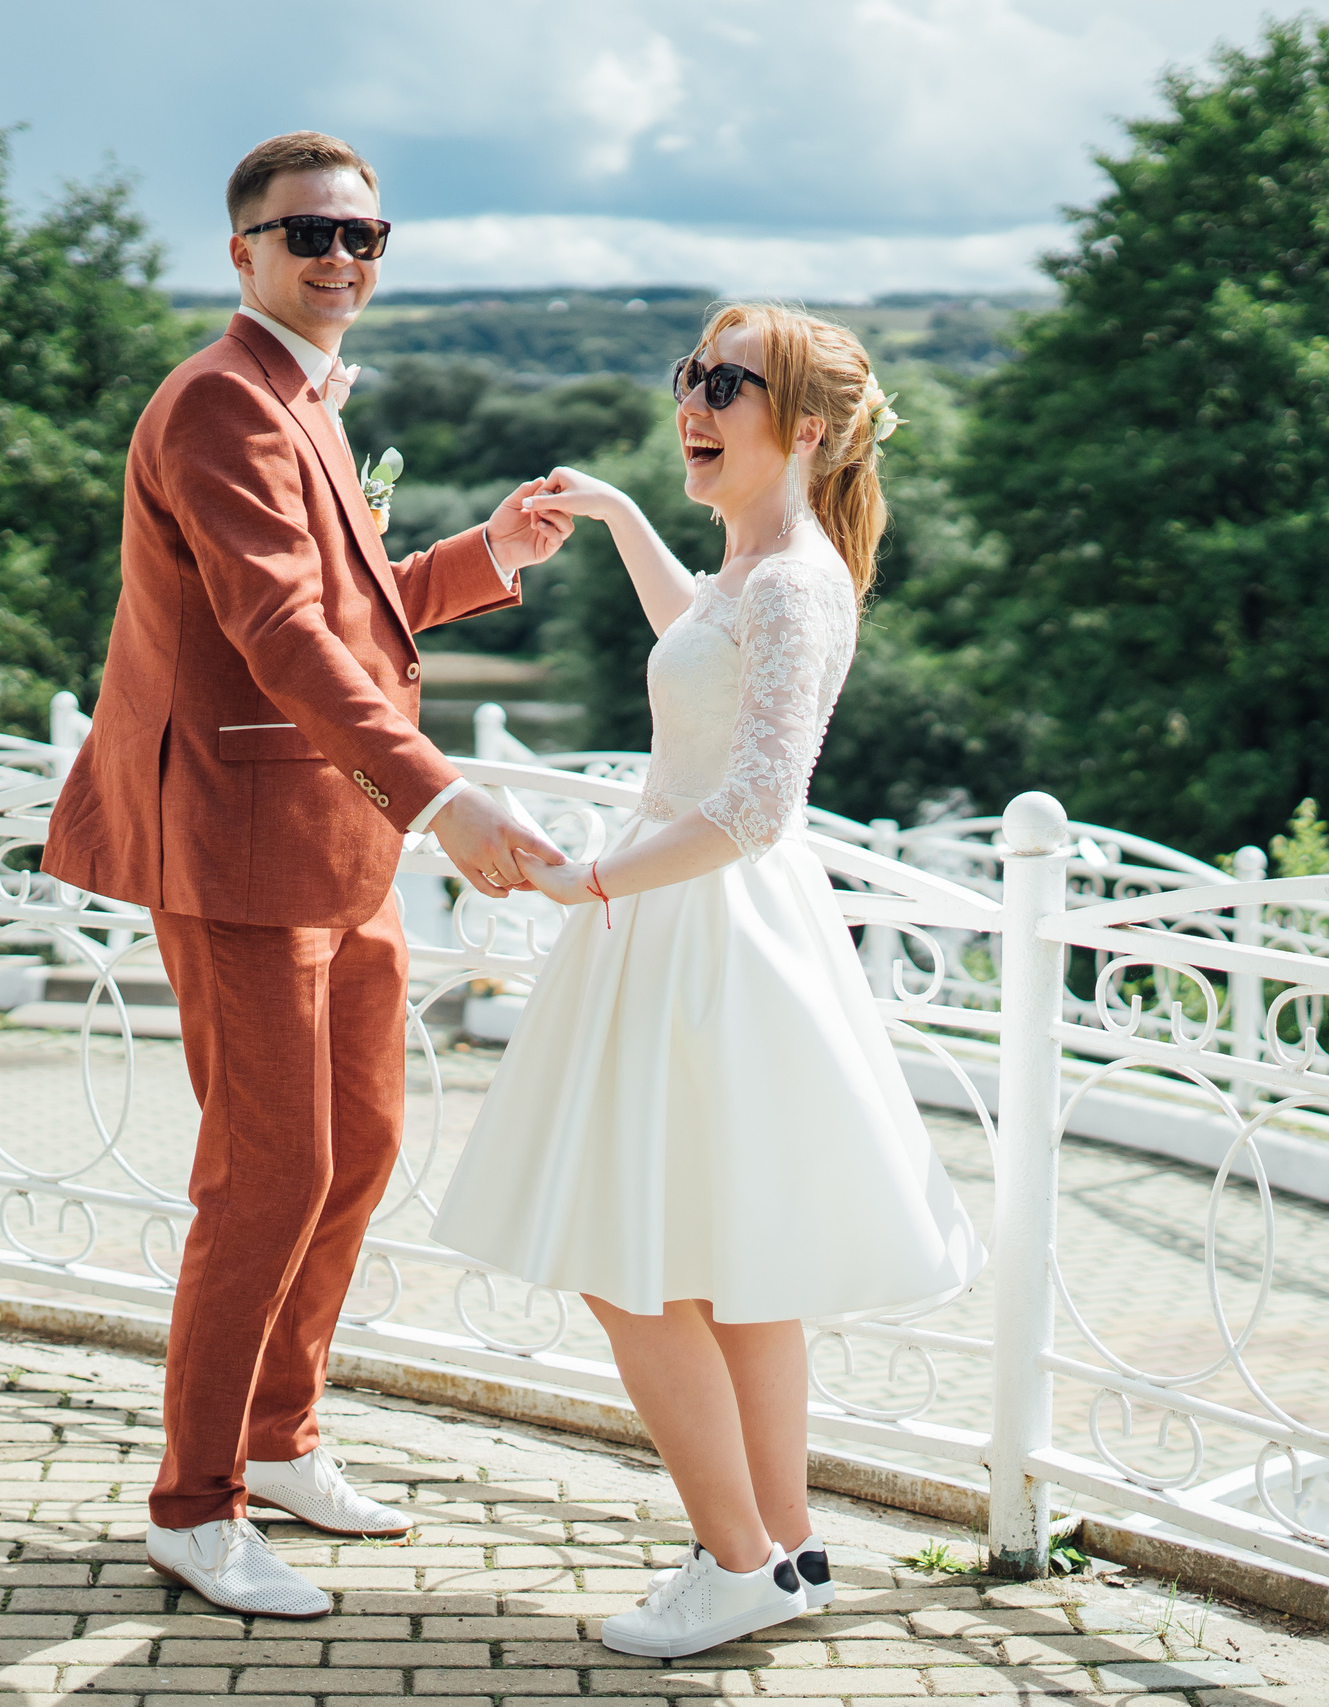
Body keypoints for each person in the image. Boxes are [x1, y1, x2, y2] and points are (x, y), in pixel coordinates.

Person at [40, 131, 572, 1620]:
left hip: (336, 841)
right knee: (266, 1175)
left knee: (355, 1153)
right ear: (244, 253)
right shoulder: (219, 400)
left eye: (365, 238)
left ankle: (277, 1444)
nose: (341, 259)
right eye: (309, 236)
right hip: (238, 841)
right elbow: (283, 638)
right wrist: (444, 794)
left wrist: (487, 552)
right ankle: (192, 1506)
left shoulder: (303, 402)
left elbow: (355, 611)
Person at [429, 302, 987, 1659]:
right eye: (688, 374)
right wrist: (626, 519)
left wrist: (589, 883)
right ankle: (783, 1554)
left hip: (705, 933)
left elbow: (754, 808)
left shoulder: (796, 579)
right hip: (687, 926)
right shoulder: (754, 570)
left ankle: (735, 1560)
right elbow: (701, 648)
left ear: (801, 427)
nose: (693, 399)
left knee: (631, 1261)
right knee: (733, 1267)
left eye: (724, 383)